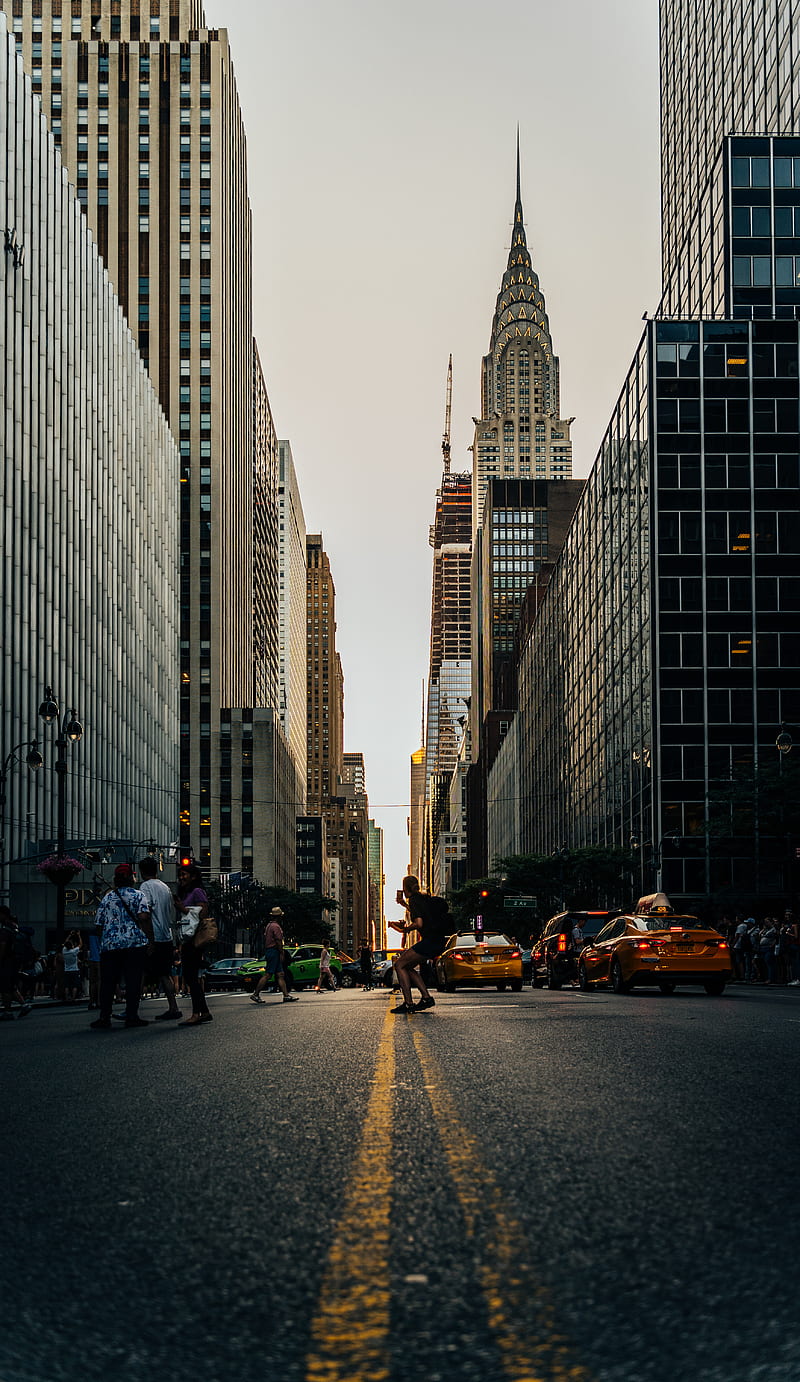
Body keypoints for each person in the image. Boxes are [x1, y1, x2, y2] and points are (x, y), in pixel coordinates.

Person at [90, 864, 153, 1030]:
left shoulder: (107, 898)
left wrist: (106, 937)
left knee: (108, 982)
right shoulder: (139, 895)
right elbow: (144, 918)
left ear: (116, 880)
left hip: (110, 946)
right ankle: (132, 1015)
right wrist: (150, 940)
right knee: (133, 980)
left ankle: (105, 1016)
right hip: (134, 944)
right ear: (131, 878)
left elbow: (98, 924)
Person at [389, 875, 449, 1014]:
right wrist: (404, 905)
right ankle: (426, 998)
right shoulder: (421, 898)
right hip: (437, 941)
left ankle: (408, 1003)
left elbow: (419, 923)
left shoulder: (414, 899)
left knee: (399, 964)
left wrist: (406, 929)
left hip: (430, 941)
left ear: (405, 888)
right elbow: (422, 914)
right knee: (408, 966)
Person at [138, 856, 182, 1020]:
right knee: (165, 974)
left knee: (139, 972)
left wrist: (148, 938)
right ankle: (173, 1007)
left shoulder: (146, 886)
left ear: (142, 871)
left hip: (152, 936)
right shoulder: (165, 887)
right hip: (166, 935)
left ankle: (132, 1010)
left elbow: (145, 913)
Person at [174, 863, 213, 1026]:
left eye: (184, 874)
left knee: (191, 977)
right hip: (187, 939)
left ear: (194, 877)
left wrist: (182, 908)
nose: (181, 877)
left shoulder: (197, 891)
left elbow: (203, 913)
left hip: (195, 940)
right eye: (180, 874)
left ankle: (197, 1013)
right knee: (190, 977)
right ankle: (204, 1012)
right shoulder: (185, 892)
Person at [249, 907, 298, 1004]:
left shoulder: (269, 926)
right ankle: (255, 994)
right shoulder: (276, 927)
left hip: (270, 951)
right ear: (279, 917)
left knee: (280, 974)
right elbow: (278, 941)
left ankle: (286, 995)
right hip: (274, 951)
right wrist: (281, 952)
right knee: (268, 974)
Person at [0, 907, 33, 1020]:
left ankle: (8, 1011)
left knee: (5, 987)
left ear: (3, 914)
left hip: (7, 962)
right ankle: (24, 1005)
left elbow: (3, 947)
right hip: (16, 961)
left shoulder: (5, 930)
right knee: (12, 986)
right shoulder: (15, 928)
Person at [62, 932, 83, 1003]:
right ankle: (73, 998)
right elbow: (80, 944)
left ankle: (67, 997)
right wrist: (79, 935)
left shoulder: (64, 951)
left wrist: (69, 935)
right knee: (74, 985)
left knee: (67, 985)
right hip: (74, 969)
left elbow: (65, 943)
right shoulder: (74, 951)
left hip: (66, 970)